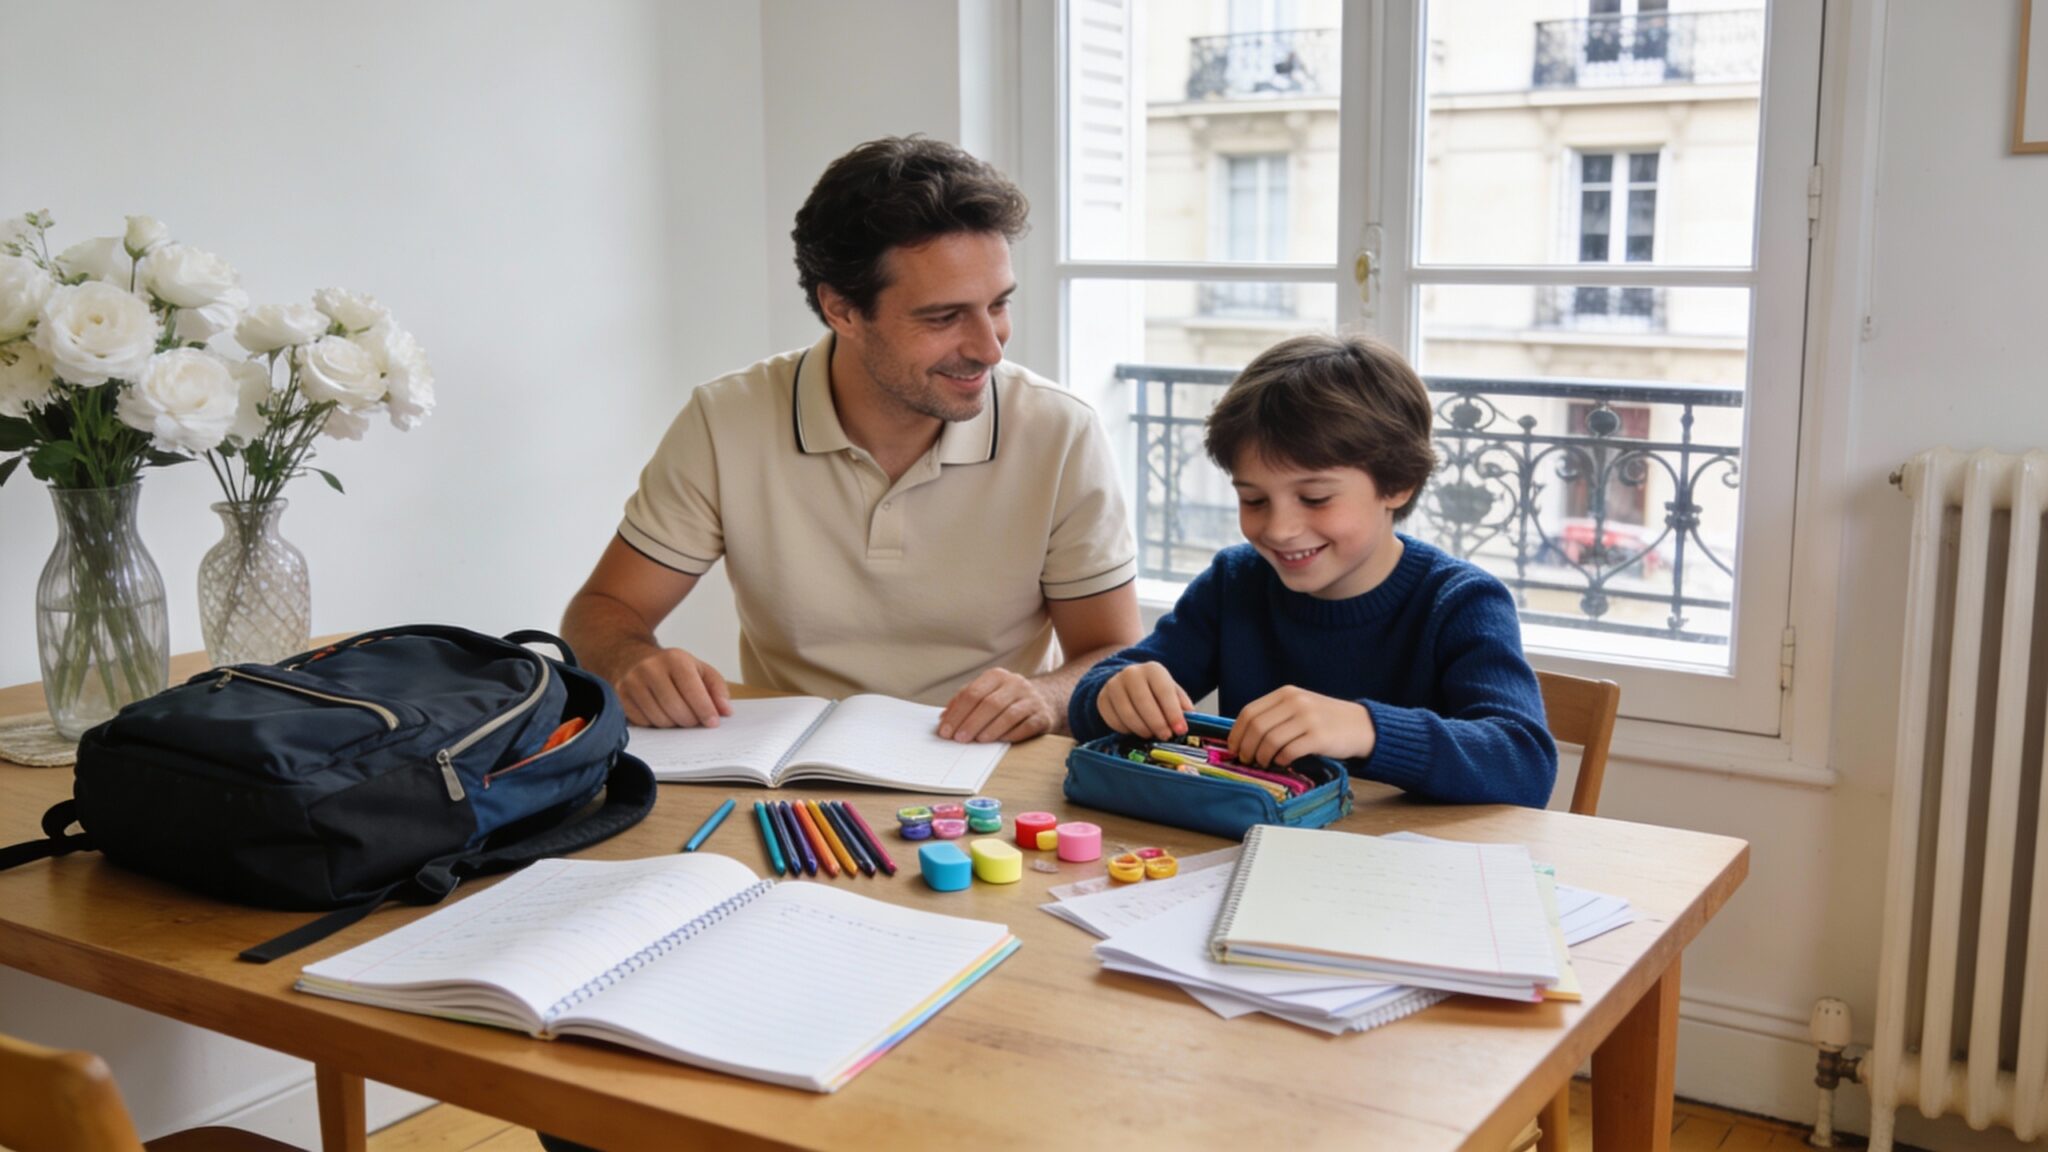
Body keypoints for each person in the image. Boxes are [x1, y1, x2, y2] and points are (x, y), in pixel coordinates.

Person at [562, 136, 1141, 744]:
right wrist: (632, 660)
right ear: (841, 310)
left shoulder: (1060, 432)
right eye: (944, 317)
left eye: (998, 305)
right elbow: (602, 609)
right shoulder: (724, 420)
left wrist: (1046, 696)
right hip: (786, 767)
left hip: (986, 765)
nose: (989, 348)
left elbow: (1114, 653)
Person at [1067, 333, 1557, 807]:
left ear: (1398, 483)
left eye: (1315, 498)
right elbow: (1097, 692)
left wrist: (1366, 729)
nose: (1279, 530)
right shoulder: (1234, 583)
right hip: (1253, 847)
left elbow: (1526, 763)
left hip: (1404, 858)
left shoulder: (1462, 602)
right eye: (1254, 500)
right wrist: (1114, 692)